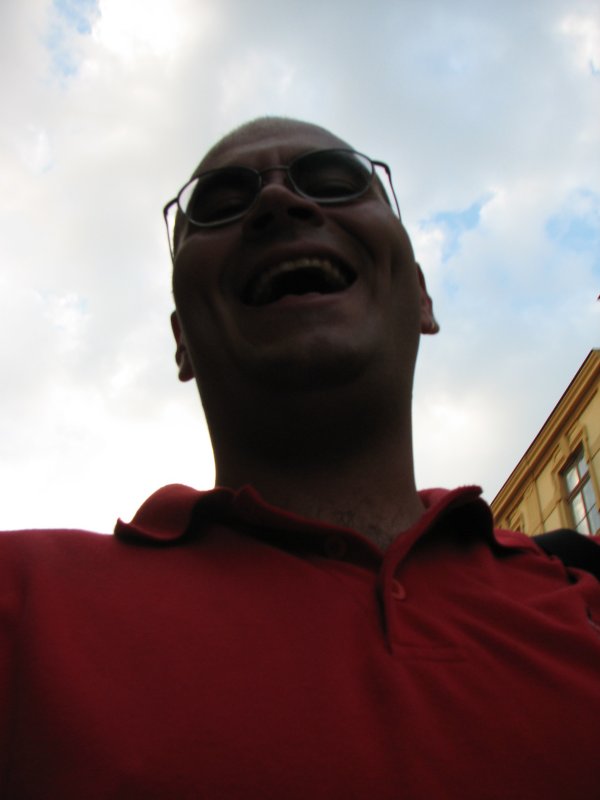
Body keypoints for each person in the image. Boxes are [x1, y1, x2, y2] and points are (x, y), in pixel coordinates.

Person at [1, 117, 599, 800]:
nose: (279, 201)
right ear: (182, 341)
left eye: (335, 181)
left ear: (422, 297)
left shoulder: (582, 586)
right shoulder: (20, 602)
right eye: (220, 202)